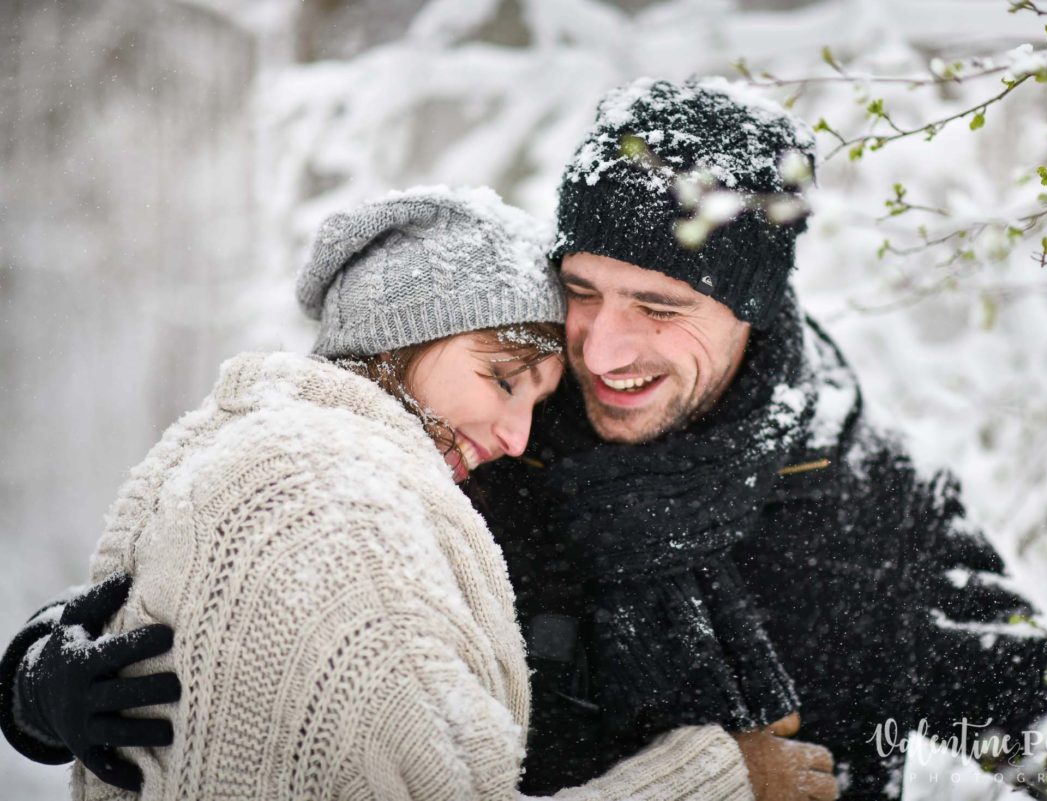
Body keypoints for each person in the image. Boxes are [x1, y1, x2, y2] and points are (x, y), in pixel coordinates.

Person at [7, 78, 1047, 800]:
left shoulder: (863, 506)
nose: (603, 348)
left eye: (662, 308)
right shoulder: (491, 449)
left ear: (753, 310)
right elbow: (239, 581)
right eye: (581, 292)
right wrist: (37, 686)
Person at [0, 186, 809, 800]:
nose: (516, 435)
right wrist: (716, 778)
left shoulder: (271, 435)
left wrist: (32, 687)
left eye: (539, 402)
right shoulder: (341, 499)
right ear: (399, 339)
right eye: (502, 381)